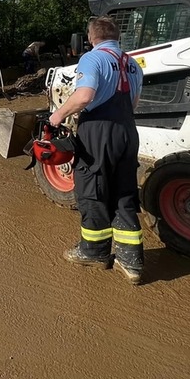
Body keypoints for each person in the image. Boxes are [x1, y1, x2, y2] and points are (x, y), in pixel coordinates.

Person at [48, 16, 144, 284]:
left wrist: (58, 115)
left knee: (92, 187)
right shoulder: (133, 64)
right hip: (128, 131)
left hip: (98, 130)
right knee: (123, 190)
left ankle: (94, 252)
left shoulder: (92, 58)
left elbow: (85, 96)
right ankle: (131, 261)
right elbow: (134, 103)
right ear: (117, 36)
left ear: (91, 37)